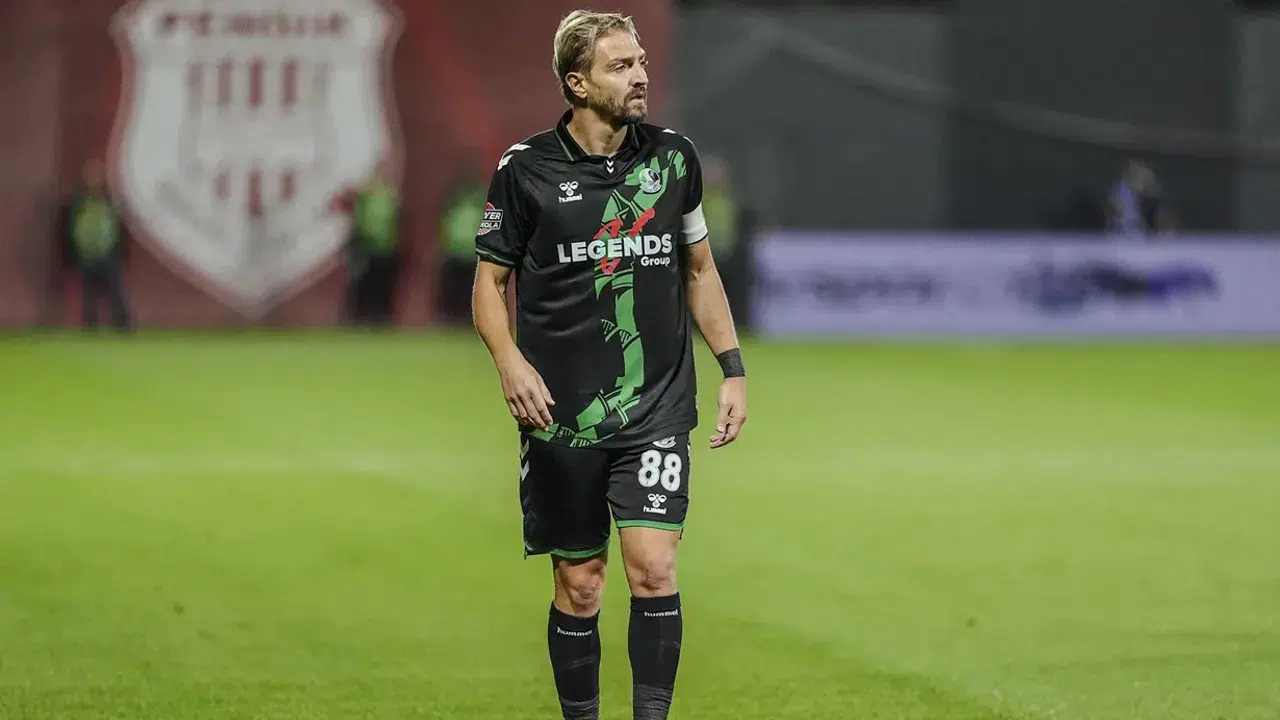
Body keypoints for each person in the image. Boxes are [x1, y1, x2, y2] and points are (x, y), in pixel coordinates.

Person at [470, 10, 747, 720]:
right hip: (561, 413)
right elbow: (489, 284)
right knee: (582, 584)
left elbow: (700, 270)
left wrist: (732, 368)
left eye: (641, 61)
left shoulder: (673, 160)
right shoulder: (525, 170)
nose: (640, 76)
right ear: (577, 83)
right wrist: (508, 362)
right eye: (621, 66)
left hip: (657, 403)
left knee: (653, 568)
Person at [63, 159, 133, 331]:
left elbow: (118, 227)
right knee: (89, 295)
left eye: (96, 176)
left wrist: (119, 250)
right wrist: (73, 252)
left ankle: (123, 325)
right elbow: (70, 227)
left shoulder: (109, 201)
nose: (93, 180)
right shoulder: (78, 203)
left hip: (108, 255)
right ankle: (91, 327)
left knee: (116, 293)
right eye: (90, 176)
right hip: (86, 255)